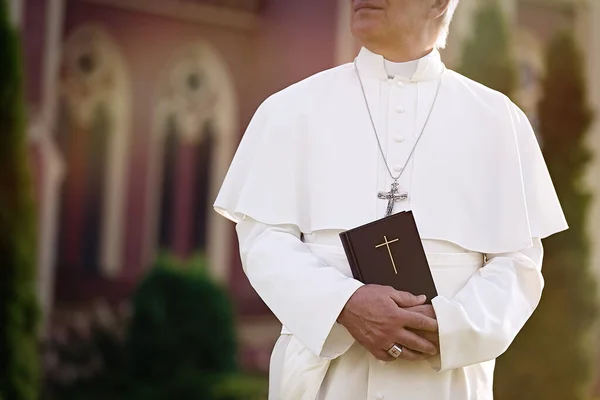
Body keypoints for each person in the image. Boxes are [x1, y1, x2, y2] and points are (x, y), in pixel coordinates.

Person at [213, 0, 568, 398]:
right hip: (325, 383)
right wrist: (344, 304)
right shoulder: (290, 110)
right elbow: (264, 239)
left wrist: (447, 327)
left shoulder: (498, 120)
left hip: (443, 385)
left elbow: (518, 264)